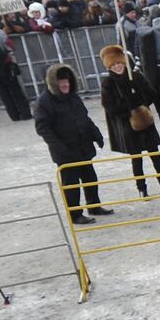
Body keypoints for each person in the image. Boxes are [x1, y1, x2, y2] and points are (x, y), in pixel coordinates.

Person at [34, 63, 113, 225]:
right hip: (65, 152)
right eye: (62, 82)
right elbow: (43, 128)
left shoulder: (73, 97)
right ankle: (75, 214)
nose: (66, 85)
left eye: (68, 81)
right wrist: (60, 147)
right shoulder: (44, 102)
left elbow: (85, 117)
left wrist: (96, 133)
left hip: (83, 147)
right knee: (71, 184)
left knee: (90, 177)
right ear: (53, 83)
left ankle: (94, 205)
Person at [98, 45, 160, 199]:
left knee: (155, 154)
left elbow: (152, 94)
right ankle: (141, 187)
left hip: (145, 121)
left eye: (119, 63)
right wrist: (128, 104)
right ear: (109, 67)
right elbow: (110, 107)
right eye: (113, 65)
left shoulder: (136, 76)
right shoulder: (108, 84)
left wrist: (139, 98)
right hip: (128, 125)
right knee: (136, 158)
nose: (117, 67)